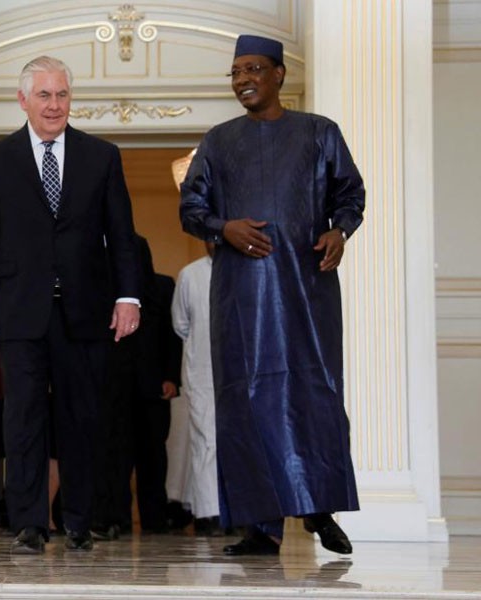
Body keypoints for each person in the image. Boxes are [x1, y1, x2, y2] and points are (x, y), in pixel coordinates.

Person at [179, 34, 365, 556]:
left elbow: (350, 194)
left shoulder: (319, 133)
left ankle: (319, 509)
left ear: (279, 74)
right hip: (240, 296)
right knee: (247, 401)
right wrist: (225, 228)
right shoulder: (218, 141)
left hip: (306, 289)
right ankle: (260, 528)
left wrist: (339, 231)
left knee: (313, 392)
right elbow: (190, 210)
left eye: (254, 69)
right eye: (236, 72)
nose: (243, 80)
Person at [0, 55, 141, 555]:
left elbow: (121, 236)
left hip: (85, 311)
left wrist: (128, 296)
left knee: (81, 417)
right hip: (19, 312)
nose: (54, 104)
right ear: (23, 100)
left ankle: (79, 520)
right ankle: (29, 523)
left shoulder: (102, 156)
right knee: (22, 418)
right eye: (44, 95)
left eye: (62, 94)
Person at [92, 237, 180, 539]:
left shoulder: (163, 288)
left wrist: (171, 377)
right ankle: (116, 517)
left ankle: (155, 519)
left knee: (153, 454)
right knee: (115, 453)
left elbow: (172, 337)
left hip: (154, 386)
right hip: (114, 386)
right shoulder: (104, 291)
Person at [0, 337, 62, 532]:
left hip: (57, 379)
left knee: (55, 448)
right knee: (19, 444)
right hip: (15, 376)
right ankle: (28, 517)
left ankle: (45, 513)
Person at [169, 241, 224, 535]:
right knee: (206, 441)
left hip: (238, 374)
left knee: (236, 442)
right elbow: (180, 324)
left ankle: (236, 512)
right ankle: (207, 513)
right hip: (201, 371)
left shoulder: (246, 271)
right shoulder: (190, 274)